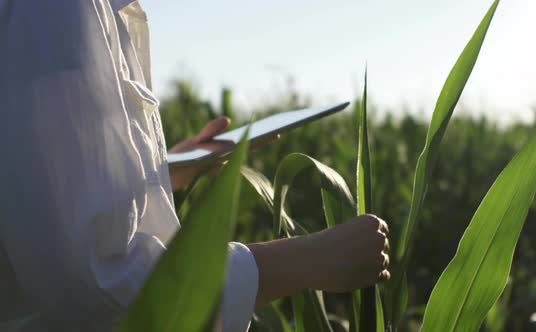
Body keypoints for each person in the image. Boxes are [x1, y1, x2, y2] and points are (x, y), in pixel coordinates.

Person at [0, 1, 390, 331]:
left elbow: (36, 190)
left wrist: (163, 172)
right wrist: (309, 260)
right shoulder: (56, 12)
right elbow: (98, 288)